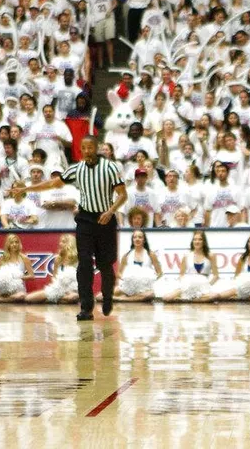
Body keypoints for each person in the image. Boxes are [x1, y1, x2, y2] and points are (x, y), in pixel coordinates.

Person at [15, 135, 128, 321]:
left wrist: (111, 211)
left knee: (105, 265)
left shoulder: (110, 168)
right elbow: (52, 183)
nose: (87, 151)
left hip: (106, 218)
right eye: (83, 148)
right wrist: (26, 189)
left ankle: (107, 296)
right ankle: (86, 307)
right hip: (85, 219)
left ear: (96, 147)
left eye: (90, 147)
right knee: (83, 263)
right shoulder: (76, 169)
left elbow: (122, 195)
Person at [106, 229, 163, 302]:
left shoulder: (151, 254)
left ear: (144, 240)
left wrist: (149, 280)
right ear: (132, 240)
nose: (137, 239)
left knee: (150, 295)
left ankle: (122, 299)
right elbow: (119, 273)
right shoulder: (126, 255)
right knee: (100, 296)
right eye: (135, 237)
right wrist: (128, 279)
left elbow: (160, 273)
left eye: (140, 237)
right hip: (128, 287)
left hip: (144, 288)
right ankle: (131, 298)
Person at [163, 230, 220, 303]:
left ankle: (187, 299)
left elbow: (216, 275)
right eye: (195, 239)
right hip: (188, 285)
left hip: (203, 286)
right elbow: (181, 275)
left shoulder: (211, 256)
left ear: (204, 241)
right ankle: (191, 298)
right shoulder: (187, 256)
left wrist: (208, 284)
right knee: (166, 298)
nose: (197, 242)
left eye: (200, 239)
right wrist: (185, 285)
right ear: (192, 242)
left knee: (214, 296)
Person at [25, 234, 80, 304]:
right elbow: (54, 278)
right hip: (57, 289)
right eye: (60, 242)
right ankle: (58, 299)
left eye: (63, 242)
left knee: (73, 297)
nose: (60, 244)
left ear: (70, 244)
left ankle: (52, 300)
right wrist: (58, 289)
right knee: (28, 298)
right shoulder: (58, 259)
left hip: (72, 290)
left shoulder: (77, 259)